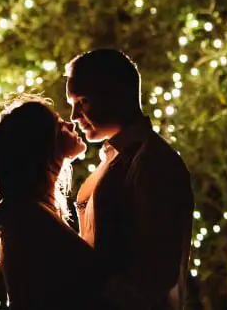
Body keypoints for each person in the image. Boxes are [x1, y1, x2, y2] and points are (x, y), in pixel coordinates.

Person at [66, 48, 195, 310]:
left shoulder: (154, 162)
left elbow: (156, 272)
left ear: (116, 93)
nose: (74, 117)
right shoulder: (116, 160)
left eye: (83, 102)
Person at [0, 95, 109, 309]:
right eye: (58, 124)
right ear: (43, 142)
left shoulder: (30, 209)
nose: (70, 122)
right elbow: (98, 275)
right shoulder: (28, 214)